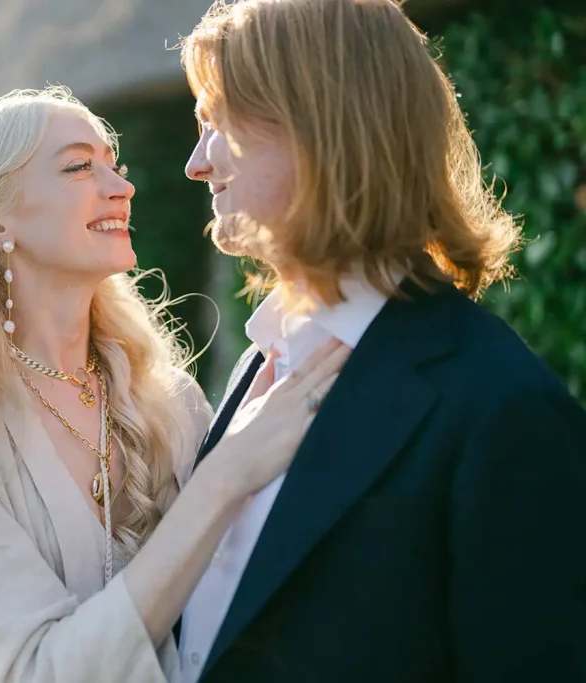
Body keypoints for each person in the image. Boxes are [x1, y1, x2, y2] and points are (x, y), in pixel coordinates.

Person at [0, 86, 347, 683]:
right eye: (79, 167)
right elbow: (41, 671)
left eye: (114, 166)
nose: (122, 188)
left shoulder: (171, 402)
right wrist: (227, 477)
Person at [177, 1, 586, 682]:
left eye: (216, 122)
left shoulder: (501, 410)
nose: (196, 162)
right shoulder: (260, 365)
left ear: (319, 120)